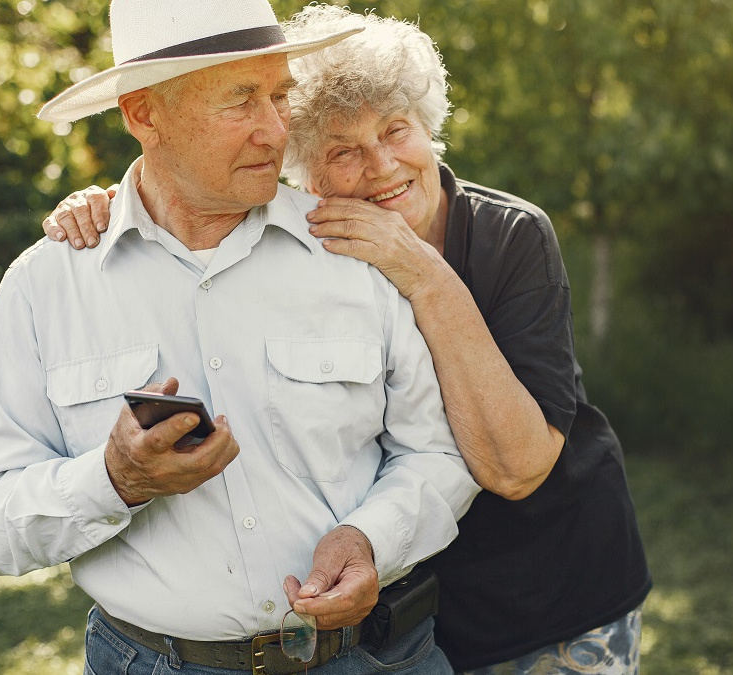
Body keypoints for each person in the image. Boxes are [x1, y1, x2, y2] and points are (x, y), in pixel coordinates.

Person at [43, 5, 652, 675]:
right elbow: (186, 197)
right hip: (406, 618)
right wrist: (115, 204)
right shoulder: (312, 249)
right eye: (342, 150)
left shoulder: (512, 236)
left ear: (428, 127)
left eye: (396, 130)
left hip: (552, 596)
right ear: (300, 171)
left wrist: (424, 274)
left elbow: (517, 467)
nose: (382, 165)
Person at [0, 2, 480, 674]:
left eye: (279, 95)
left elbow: (438, 452)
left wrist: (370, 538)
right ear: (146, 114)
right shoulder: (44, 288)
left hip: (376, 658)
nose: (275, 130)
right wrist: (114, 478)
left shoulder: (355, 249)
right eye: (241, 101)